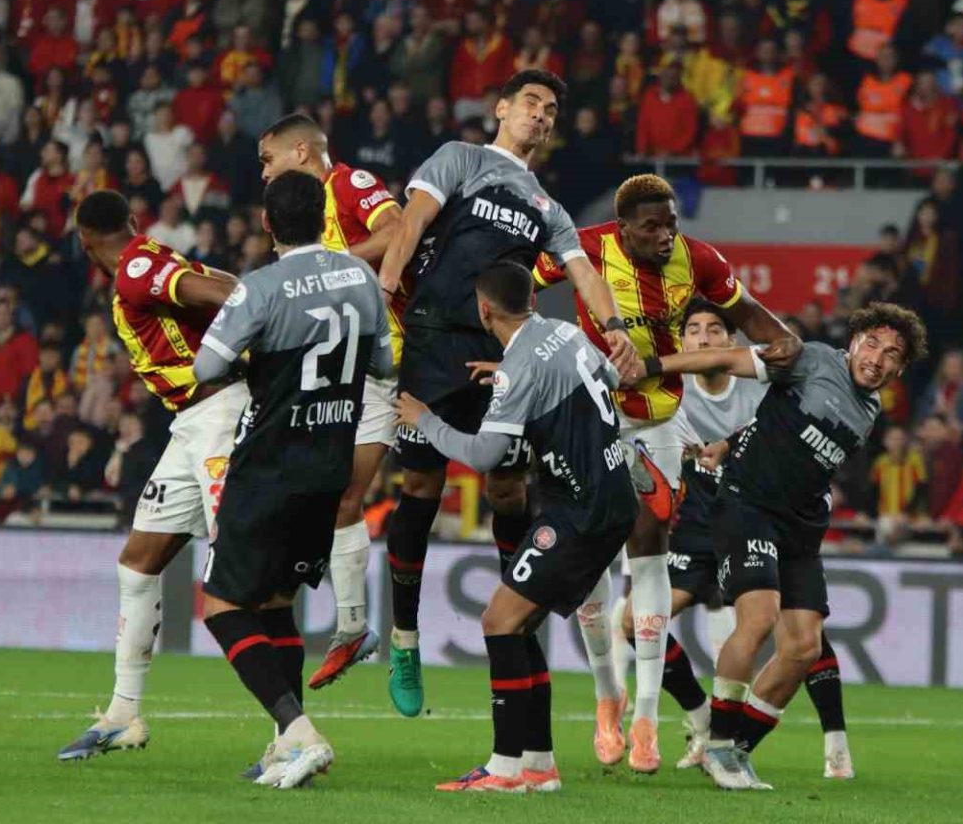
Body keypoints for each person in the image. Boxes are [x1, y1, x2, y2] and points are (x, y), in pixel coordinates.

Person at [375, 69, 637, 717]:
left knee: (508, 491)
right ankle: (404, 638)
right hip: (435, 340)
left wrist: (616, 329)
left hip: (501, 354)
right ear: (501, 108)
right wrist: (384, 287)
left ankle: (515, 620)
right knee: (421, 487)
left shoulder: (548, 209)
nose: (540, 115)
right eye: (531, 102)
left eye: (550, 110)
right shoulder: (460, 159)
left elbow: (584, 273)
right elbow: (412, 224)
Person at [531, 174, 785, 772]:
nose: (666, 234)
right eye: (652, 226)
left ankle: (645, 716)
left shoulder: (700, 260)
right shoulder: (584, 246)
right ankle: (607, 696)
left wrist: (788, 343)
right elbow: (523, 283)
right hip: (593, 418)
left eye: (671, 222)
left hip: (659, 421)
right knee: (589, 557)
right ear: (623, 228)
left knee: (649, 552)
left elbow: (748, 314)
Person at [624, 302, 928, 790]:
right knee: (759, 619)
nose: (877, 358)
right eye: (871, 343)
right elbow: (724, 358)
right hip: (749, 506)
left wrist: (730, 441)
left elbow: (775, 425)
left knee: (804, 647)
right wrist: (651, 366)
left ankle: (735, 749)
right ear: (853, 341)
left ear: (901, 368)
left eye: (892, 353)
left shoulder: (869, 409)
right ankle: (718, 744)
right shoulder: (811, 359)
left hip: (801, 527)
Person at [395, 261, 638, 793]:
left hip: (581, 509)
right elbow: (613, 377)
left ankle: (505, 769)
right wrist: (516, 377)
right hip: (613, 494)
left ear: (484, 310)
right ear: (532, 299)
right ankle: (539, 765)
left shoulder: (520, 366)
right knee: (518, 625)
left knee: (499, 621)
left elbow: (486, 454)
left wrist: (424, 421)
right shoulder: (566, 333)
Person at [191, 170, 394, 790]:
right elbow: (384, 363)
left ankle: (299, 731)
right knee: (277, 604)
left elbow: (206, 366)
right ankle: (286, 747)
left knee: (221, 606)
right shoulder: (360, 277)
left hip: (270, 466)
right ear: (323, 216)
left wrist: (259, 358)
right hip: (330, 465)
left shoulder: (260, 287)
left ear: (267, 223)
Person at [56, 189, 243, 761]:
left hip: (219, 415)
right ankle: (122, 714)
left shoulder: (137, 268)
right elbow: (221, 283)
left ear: (85, 239)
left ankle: (291, 733)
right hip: (191, 424)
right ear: (133, 220)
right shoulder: (155, 257)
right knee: (138, 563)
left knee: (242, 576)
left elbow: (229, 293)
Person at [648, 299, 856, 777]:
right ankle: (704, 721)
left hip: (763, 512)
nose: (703, 337)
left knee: (800, 632)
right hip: (700, 524)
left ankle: (834, 741)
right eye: (693, 330)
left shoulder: (762, 382)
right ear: (683, 340)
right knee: (640, 623)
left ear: (731, 340)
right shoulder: (670, 395)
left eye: (713, 329)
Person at [256, 113, 404, 688]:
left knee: (357, 495)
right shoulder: (297, 218)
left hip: (386, 364)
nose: (263, 172)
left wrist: (338, 268)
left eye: (268, 159)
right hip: (339, 373)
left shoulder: (348, 183)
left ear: (300, 152)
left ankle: (379, 634)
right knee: (337, 497)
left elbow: (397, 229)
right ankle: (353, 627)